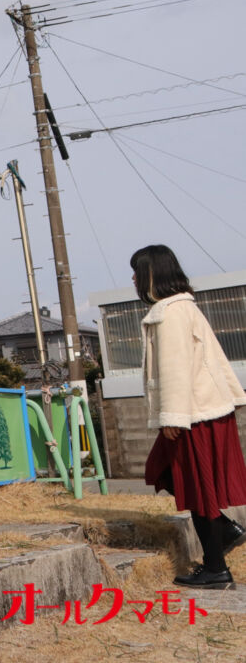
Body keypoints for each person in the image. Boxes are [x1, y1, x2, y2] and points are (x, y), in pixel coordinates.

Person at [136, 244, 246, 589]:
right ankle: (225, 533)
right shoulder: (185, 307)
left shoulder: (169, 313)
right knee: (178, 477)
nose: (134, 279)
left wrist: (173, 417)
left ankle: (216, 567)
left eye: (138, 272)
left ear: (152, 275)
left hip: (192, 414)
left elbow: (175, 369)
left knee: (196, 487)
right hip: (203, 410)